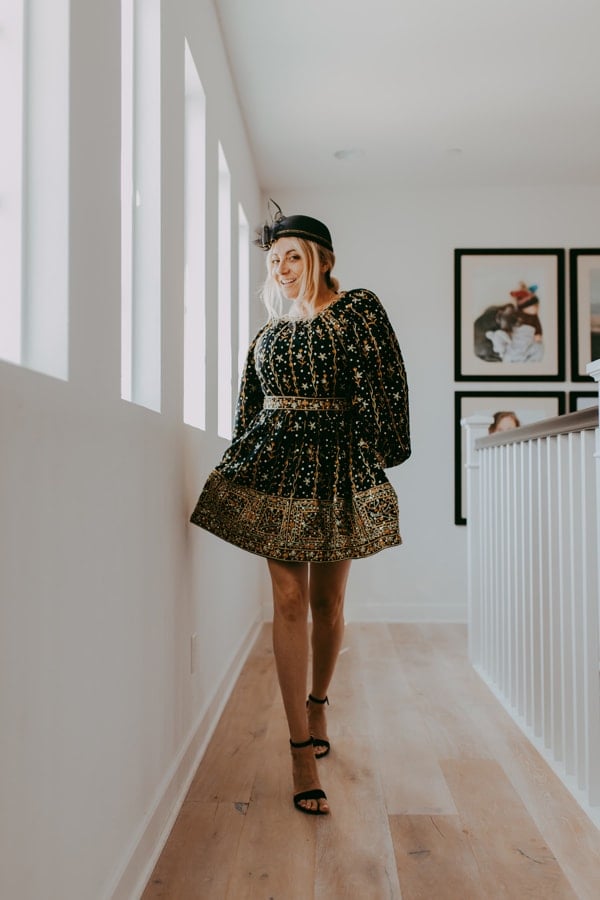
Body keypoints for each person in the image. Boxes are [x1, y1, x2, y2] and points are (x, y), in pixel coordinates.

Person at [190, 202, 411, 816]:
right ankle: (297, 750)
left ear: (322, 259)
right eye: (274, 260)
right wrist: (241, 465)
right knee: (287, 601)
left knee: (327, 603)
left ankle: (318, 705)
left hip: (338, 468)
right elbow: (248, 408)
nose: (283, 269)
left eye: (293, 257)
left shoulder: (357, 311)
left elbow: (389, 381)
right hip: (278, 471)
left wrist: (379, 454)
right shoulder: (267, 335)